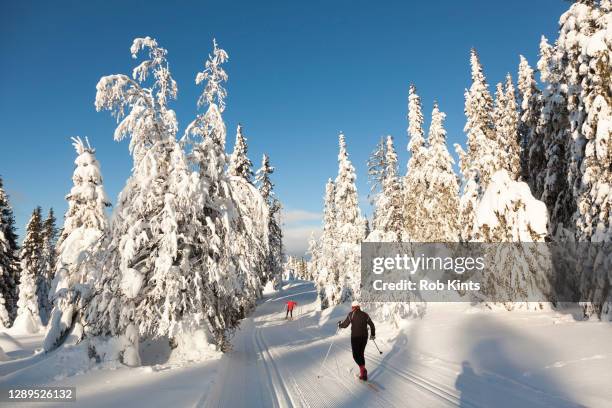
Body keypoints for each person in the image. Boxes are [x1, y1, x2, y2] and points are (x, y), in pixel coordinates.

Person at [338, 300, 376, 381]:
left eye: (352, 307)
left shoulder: (351, 314)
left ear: (353, 307)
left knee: (355, 355)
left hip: (355, 337)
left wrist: (339, 325)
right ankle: (363, 374)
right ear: (359, 307)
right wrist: (372, 335)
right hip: (364, 337)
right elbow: (372, 325)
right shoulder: (365, 315)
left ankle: (363, 370)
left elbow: (345, 325)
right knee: (361, 354)